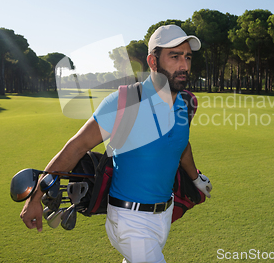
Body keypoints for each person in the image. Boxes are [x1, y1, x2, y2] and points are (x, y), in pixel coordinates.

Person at [20, 24, 213, 263]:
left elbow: (180, 144)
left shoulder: (184, 104)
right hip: (129, 221)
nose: (184, 65)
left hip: (163, 216)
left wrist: (195, 178)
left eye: (187, 57)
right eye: (174, 57)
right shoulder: (124, 101)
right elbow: (76, 147)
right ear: (153, 62)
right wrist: (35, 197)